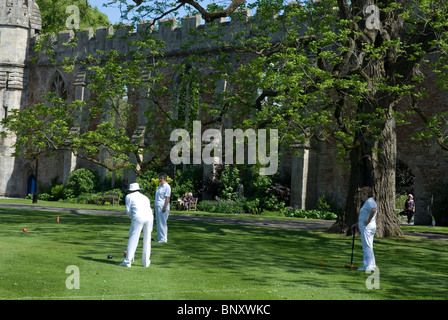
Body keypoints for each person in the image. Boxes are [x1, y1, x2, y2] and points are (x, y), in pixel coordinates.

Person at [120, 183, 153, 268]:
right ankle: (146, 262)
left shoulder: (128, 197)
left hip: (138, 216)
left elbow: (128, 211)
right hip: (150, 217)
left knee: (133, 238)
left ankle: (127, 261)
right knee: (147, 239)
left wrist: (133, 219)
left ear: (130, 191)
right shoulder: (145, 197)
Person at [352, 186, 377, 272]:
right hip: (367, 226)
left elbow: (373, 210)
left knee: (366, 247)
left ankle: (367, 266)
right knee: (369, 246)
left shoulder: (370, 201)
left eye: (362, 194)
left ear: (366, 194)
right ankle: (372, 265)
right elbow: (364, 214)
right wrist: (357, 223)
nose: (361, 196)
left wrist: (368, 220)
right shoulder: (368, 202)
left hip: (367, 227)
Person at [155, 173, 171, 243]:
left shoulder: (167, 187)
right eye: (159, 178)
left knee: (162, 223)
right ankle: (159, 237)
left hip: (162, 206)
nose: (160, 180)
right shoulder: (159, 187)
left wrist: (165, 206)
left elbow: (167, 197)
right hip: (157, 205)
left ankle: (164, 238)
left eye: (161, 178)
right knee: (158, 222)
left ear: (164, 179)